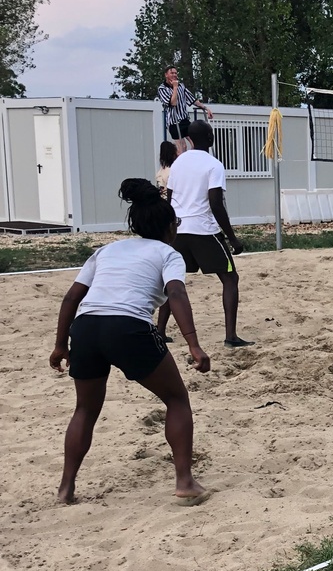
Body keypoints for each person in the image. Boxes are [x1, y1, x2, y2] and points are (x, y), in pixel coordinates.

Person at [49, 178, 210, 504]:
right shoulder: (168, 253)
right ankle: (185, 482)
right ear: (170, 227)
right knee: (177, 400)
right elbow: (176, 293)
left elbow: (71, 299)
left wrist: (60, 344)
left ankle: (66, 488)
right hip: (127, 329)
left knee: (84, 409)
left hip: (86, 328)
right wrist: (193, 344)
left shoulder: (107, 250)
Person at [159, 119, 252, 347]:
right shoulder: (214, 164)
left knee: (173, 281)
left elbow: (170, 198)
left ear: (189, 139)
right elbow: (215, 203)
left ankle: (159, 332)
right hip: (204, 231)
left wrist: (170, 229)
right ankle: (231, 337)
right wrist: (232, 238)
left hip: (179, 230)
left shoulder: (179, 163)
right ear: (211, 139)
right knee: (230, 278)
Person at [157, 66, 213, 152]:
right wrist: (175, 87)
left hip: (184, 120)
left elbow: (192, 99)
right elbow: (173, 103)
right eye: (172, 73)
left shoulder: (181, 86)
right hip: (174, 121)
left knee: (195, 144)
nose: (174, 75)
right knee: (182, 147)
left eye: (175, 73)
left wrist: (206, 108)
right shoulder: (162, 89)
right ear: (166, 75)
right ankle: (180, 163)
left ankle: (191, 161)